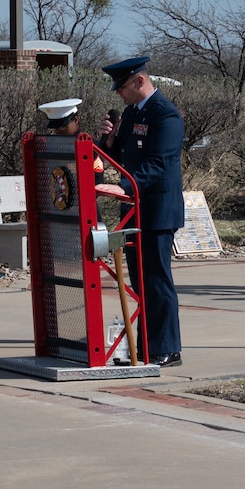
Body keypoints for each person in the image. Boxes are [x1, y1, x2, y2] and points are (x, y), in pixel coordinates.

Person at [94, 57, 185, 367]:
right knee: (139, 282)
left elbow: (160, 164)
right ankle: (144, 348)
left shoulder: (165, 115)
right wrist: (108, 139)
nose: (119, 94)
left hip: (157, 210)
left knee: (157, 281)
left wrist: (126, 186)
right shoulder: (134, 112)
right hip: (133, 209)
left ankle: (168, 348)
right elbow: (122, 156)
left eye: (121, 88)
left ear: (138, 82)